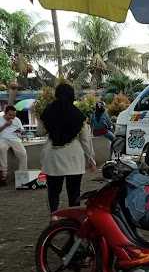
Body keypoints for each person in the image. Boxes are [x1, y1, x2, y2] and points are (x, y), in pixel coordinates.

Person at [39, 84, 96, 215]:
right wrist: (91, 160)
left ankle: (54, 217)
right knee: (74, 193)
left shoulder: (47, 111)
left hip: (52, 157)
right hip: (73, 159)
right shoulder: (79, 115)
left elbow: (40, 131)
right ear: (72, 96)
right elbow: (86, 141)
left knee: (53, 192)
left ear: (56, 94)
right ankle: (74, 221)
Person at [0, 105, 28, 185]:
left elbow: (21, 131)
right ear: (5, 113)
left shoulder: (17, 120)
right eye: (10, 115)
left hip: (15, 139)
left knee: (23, 153)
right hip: (3, 139)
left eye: (14, 115)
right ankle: (3, 176)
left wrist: (21, 133)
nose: (12, 117)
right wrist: (5, 125)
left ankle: (22, 176)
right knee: (2, 149)